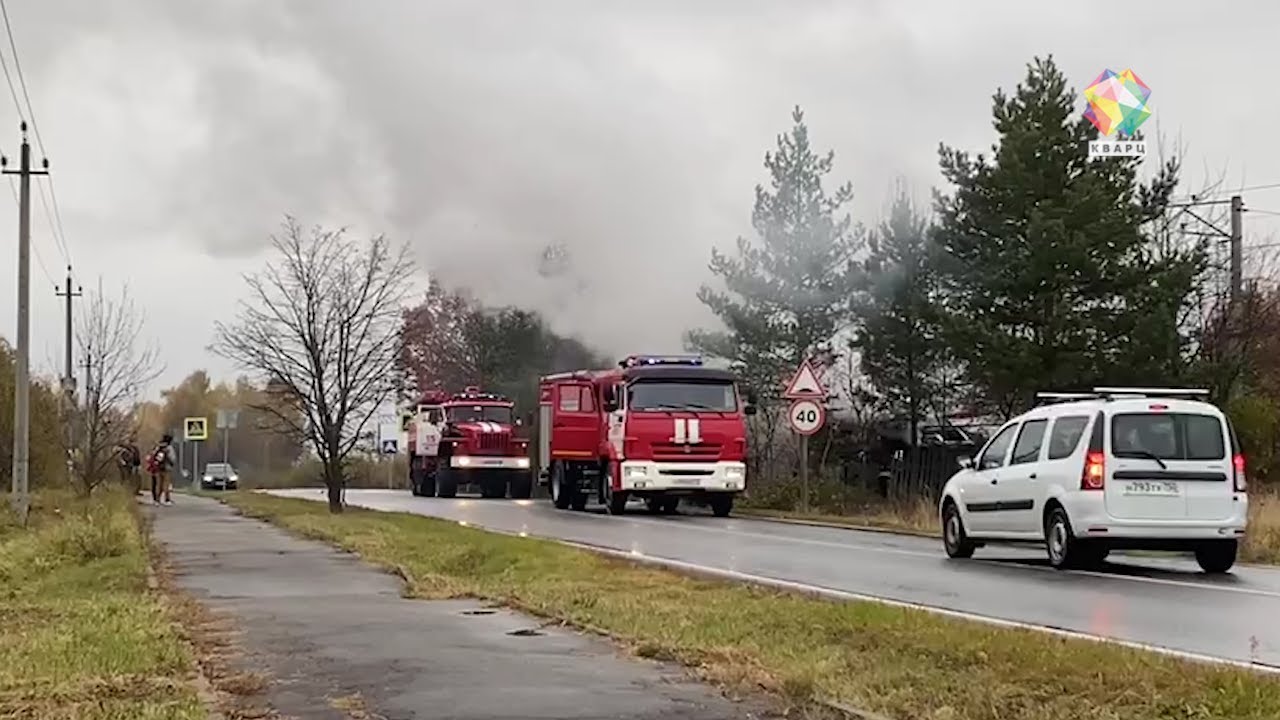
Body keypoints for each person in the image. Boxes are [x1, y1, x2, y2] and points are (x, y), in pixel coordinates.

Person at [146, 434, 177, 506]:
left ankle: (157, 500)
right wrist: (172, 463)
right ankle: (167, 499)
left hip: (158, 468)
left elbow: (152, 455)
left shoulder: (159, 447)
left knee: (158, 484)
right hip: (167, 468)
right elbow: (172, 458)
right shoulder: (169, 448)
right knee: (166, 484)